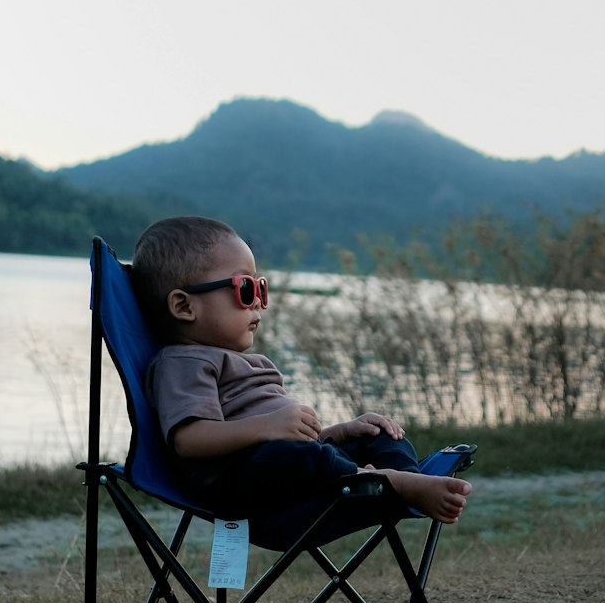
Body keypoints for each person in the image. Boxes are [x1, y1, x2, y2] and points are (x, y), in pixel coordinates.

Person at [131, 215, 473, 524]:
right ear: (183, 306)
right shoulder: (183, 361)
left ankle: (400, 481)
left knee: (377, 434)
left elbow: (289, 439)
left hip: (291, 466)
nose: (258, 304)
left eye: (261, 289)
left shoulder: (247, 362)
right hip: (237, 485)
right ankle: (392, 483)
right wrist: (269, 427)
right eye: (245, 290)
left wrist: (334, 433)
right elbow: (188, 440)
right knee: (291, 457)